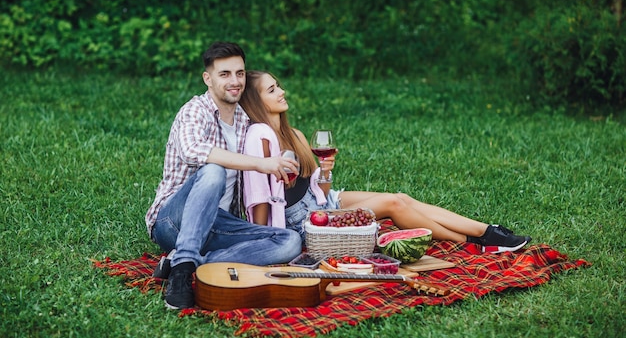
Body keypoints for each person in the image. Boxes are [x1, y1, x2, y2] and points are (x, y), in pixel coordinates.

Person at [239, 70, 532, 254]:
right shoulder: (260, 142)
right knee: (394, 205)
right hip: (303, 222)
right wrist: (267, 242)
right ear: (256, 101)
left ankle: (486, 230)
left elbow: (322, 190)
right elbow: (261, 198)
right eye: (272, 90)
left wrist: (326, 172)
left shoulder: (296, 136)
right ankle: (472, 241)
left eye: (278, 86)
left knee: (401, 197)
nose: (282, 92)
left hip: (323, 204)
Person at [145, 44, 302, 310]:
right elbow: (193, 151)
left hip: (218, 224)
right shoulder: (195, 111)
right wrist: (261, 164)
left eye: (239, 73)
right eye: (225, 74)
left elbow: (270, 142)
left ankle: (188, 262)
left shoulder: (244, 121)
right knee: (213, 170)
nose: (235, 81)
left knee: (289, 241)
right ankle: (183, 273)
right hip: (174, 221)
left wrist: (287, 157)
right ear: (208, 78)